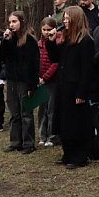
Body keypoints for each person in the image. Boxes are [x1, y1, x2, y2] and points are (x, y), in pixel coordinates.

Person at [45, 6, 99, 169]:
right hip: (64, 87)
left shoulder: (86, 41)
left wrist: (82, 93)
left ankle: (80, 156)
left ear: (76, 19)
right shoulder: (67, 39)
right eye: (64, 18)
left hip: (76, 88)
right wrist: (51, 41)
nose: (65, 21)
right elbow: (55, 58)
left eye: (68, 18)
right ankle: (67, 153)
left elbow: (87, 70)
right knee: (65, 122)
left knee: (77, 123)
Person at [0, 11, 40, 154]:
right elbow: (1, 56)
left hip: (25, 81)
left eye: (14, 21)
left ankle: (28, 143)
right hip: (12, 80)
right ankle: (15, 142)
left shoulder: (30, 40)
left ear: (22, 22)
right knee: (14, 113)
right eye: (10, 22)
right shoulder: (10, 39)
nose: (11, 24)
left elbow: (34, 64)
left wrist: (32, 85)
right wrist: (5, 41)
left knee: (26, 113)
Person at [37, 17, 60, 147]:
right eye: (44, 29)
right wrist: (38, 78)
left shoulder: (56, 42)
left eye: (49, 29)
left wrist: (45, 77)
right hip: (40, 81)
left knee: (51, 109)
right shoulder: (39, 44)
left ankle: (52, 136)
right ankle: (42, 135)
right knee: (42, 109)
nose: (46, 32)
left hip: (52, 81)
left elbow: (55, 63)